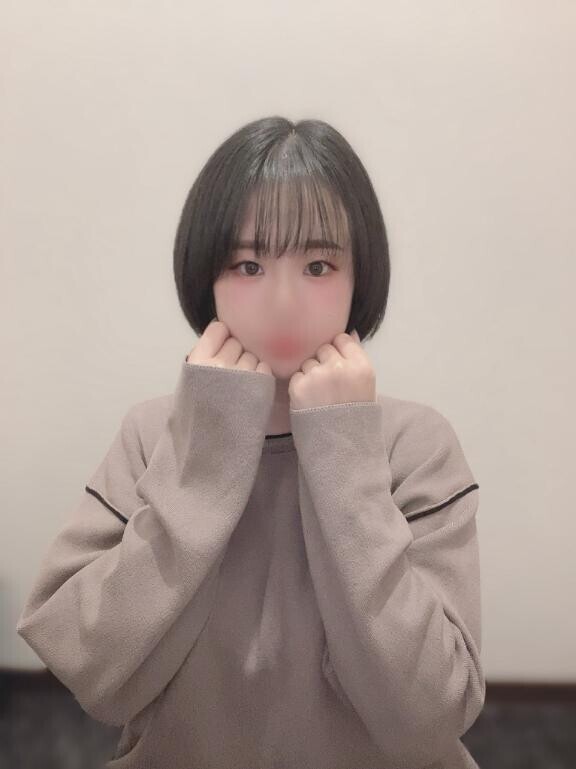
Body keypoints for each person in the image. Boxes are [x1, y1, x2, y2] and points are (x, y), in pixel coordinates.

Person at [16, 116, 484, 769]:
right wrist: (207, 459)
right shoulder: (152, 433)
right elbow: (91, 671)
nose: (283, 302)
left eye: (318, 265)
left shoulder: (416, 445)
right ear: (205, 276)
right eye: (248, 264)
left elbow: (430, 716)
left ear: (360, 277)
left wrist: (345, 453)